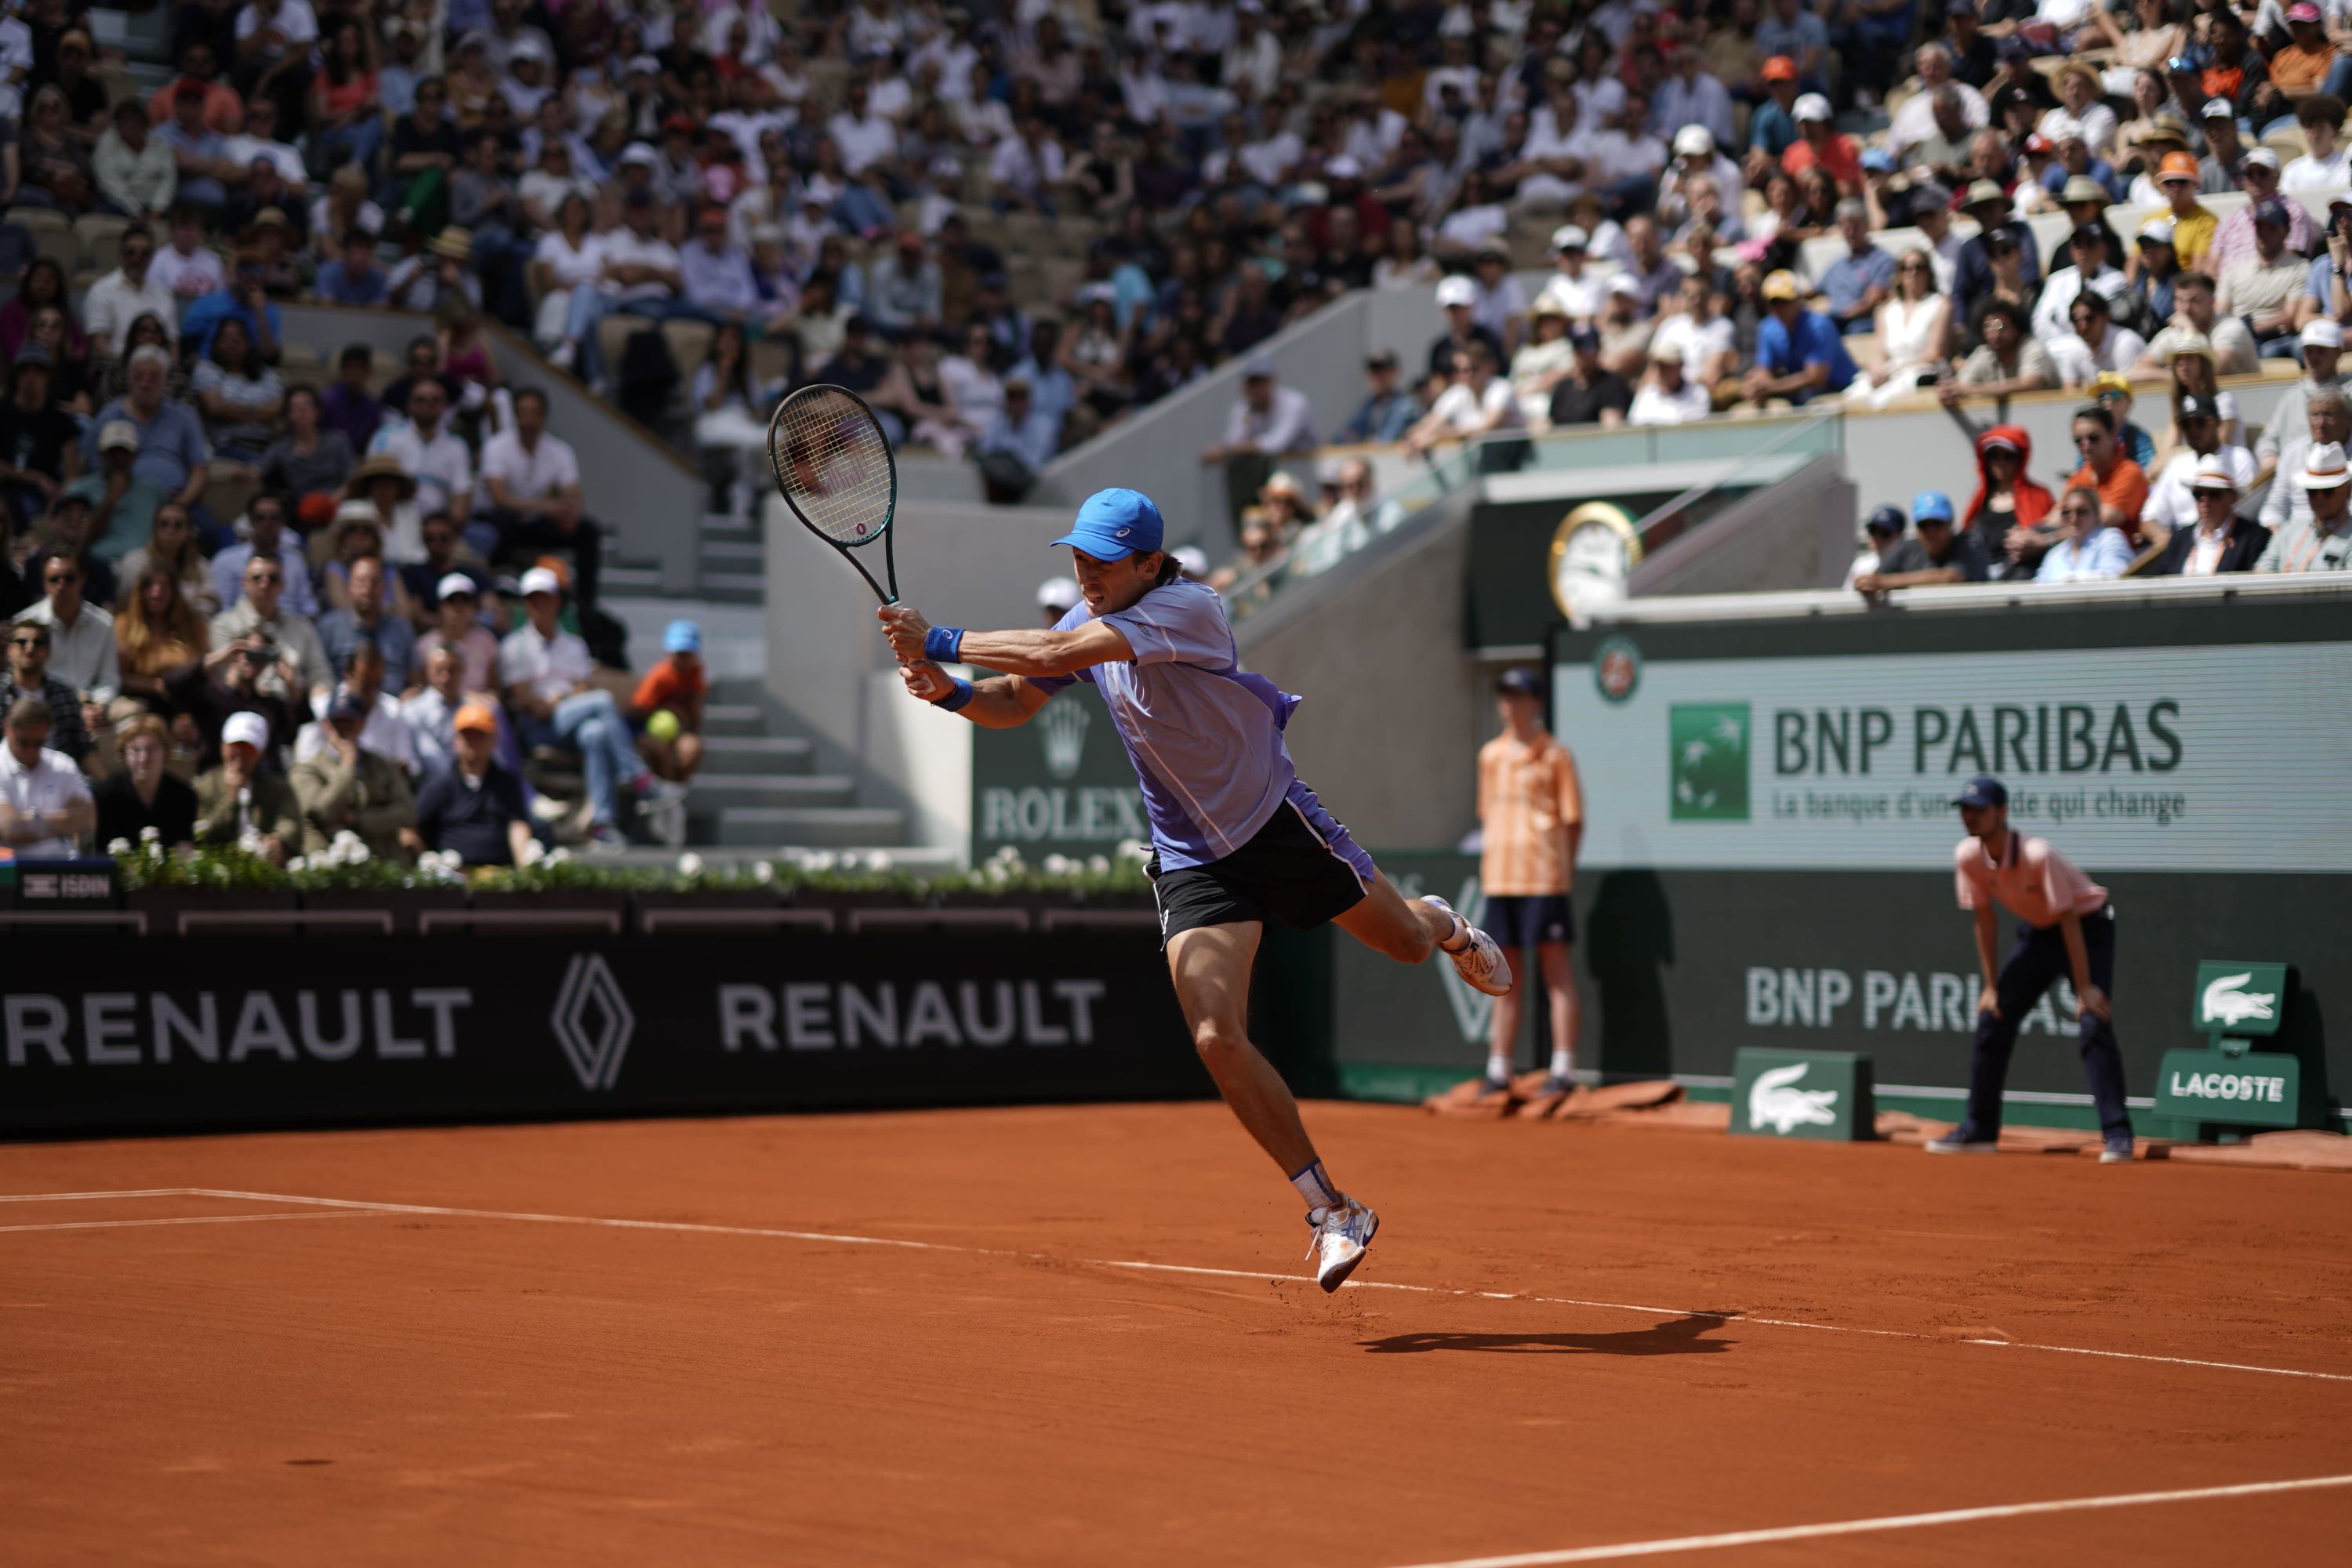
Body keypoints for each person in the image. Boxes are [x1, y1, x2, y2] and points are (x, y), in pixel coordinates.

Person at [880, 488, 1512, 1292]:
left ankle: (1448, 926)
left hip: (1276, 826)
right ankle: (1332, 1209)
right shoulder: (1083, 622)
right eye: (1078, 557)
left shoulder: (1193, 609)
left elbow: (1044, 656)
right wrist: (949, 690)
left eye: (1103, 561)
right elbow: (1015, 700)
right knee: (1216, 1035)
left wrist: (939, 636)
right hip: (1191, 858)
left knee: (1409, 945)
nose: (1086, 573)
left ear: (1151, 563)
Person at [1927, 775, 2133, 1163]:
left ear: (2002, 813)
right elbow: (1984, 919)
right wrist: (1990, 986)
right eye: (1965, 809)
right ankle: (1980, 1129)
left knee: (2093, 1021)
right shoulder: (1968, 856)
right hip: (2039, 934)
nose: (1970, 816)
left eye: (1979, 809)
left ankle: (2118, 1134)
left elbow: (2069, 920)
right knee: (1993, 1019)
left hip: (2087, 929)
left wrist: (2084, 988)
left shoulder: (2038, 855)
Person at [1462, 666, 1583, 1112]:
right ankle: (1499, 1070)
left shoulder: (1556, 756)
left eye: (1520, 696)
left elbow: (1573, 822)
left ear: (1536, 703)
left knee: (1556, 972)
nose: (1511, 704)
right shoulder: (1490, 756)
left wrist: (1560, 871)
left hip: (1544, 878)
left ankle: (1563, 1069)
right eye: (1505, 696)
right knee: (1502, 975)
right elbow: (1487, 816)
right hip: (1501, 878)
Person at [499, 566, 681, 851]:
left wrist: (559, 698)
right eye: (532, 599)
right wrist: (563, 698)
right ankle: (640, 779)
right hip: (539, 729)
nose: (538, 606)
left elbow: (584, 687)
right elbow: (529, 702)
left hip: (571, 719)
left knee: (595, 733)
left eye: (544, 598)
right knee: (604, 702)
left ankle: (602, 825)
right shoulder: (514, 646)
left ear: (557, 601)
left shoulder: (574, 645)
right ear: (525, 604)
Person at [478, 386, 597, 606]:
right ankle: (502, 590)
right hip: (505, 521)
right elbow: (499, 498)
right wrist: (547, 506)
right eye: (523, 412)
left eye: (535, 413)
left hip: (540, 524)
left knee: (587, 531)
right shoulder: (497, 447)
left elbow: (573, 496)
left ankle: (585, 604)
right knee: (503, 522)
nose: (529, 420)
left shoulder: (560, 450)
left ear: (544, 417)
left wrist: (569, 513)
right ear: (514, 415)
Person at [291, 685, 416, 861]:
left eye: (349, 722)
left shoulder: (382, 765)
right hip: (328, 865)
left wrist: (359, 820)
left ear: (362, 723)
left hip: (381, 861)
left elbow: (407, 812)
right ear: (326, 725)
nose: (344, 728)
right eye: (337, 722)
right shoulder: (307, 769)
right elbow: (321, 813)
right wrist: (347, 766)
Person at [412, 700, 535, 867]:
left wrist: (523, 866)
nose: (473, 742)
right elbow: (412, 829)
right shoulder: (440, 783)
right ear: (456, 740)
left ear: (494, 740)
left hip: (499, 876)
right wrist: (430, 864)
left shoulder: (507, 782)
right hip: (451, 878)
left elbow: (518, 825)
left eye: (480, 735)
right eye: (467, 735)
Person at [1199, 358, 1317, 523]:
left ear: (1272, 380)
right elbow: (1234, 440)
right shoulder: (1244, 408)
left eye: (1261, 381)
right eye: (1252, 383)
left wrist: (1229, 450)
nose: (1257, 388)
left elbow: (1276, 444)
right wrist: (1247, 421)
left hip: (1303, 481)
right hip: (1269, 485)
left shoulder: (1294, 403)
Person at [12, 550, 116, 735]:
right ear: (44, 583)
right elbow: (24, 679)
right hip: (44, 704)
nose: (61, 585)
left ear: (82, 580)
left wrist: (98, 705)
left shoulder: (103, 623)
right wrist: (74, 705)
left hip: (94, 704)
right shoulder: (25, 625)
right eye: (54, 579)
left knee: (133, 715)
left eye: (69, 578)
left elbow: (109, 678)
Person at [193, 709, 300, 861]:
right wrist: (230, 798)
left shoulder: (277, 787)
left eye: (248, 749)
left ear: (260, 753)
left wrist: (277, 839)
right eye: (235, 745)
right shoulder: (205, 786)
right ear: (223, 746)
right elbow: (203, 834)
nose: (240, 754)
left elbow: (290, 821)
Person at [1743, 269, 1857, 407]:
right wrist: (1757, 387)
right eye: (1774, 302)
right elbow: (1765, 369)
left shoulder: (1818, 326)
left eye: (1785, 301)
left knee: (1806, 398)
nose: (1780, 307)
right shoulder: (1767, 328)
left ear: (1798, 299)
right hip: (1802, 390)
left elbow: (1816, 378)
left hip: (1841, 387)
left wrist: (1769, 387)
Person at [0, 694, 93, 856]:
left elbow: (87, 818)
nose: (30, 751)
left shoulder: (62, 764)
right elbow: (10, 828)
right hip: (8, 872)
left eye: (38, 744)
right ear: (7, 728)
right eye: (23, 743)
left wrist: (32, 819)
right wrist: (64, 819)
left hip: (59, 867)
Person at [2146, 456, 2270, 575]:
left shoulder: (2253, 537)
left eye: (2214, 494)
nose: (2205, 501)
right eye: (2198, 495)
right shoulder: (2180, 538)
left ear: (2233, 498)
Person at [1854, 491, 1992, 591]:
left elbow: (1950, 577)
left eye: (1937, 524)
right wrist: (1866, 583)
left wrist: (1884, 582)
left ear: (1950, 524)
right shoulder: (1907, 549)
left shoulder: (1969, 543)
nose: (1931, 531)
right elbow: (1874, 580)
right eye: (1924, 525)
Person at [93, 713, 195, 848]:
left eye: (151, 749)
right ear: (124, 754)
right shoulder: (105, 795)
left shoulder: (184, 796)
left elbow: (185, 846)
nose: (144, 758)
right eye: (136, 750)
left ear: (165, 752)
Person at [2, 617, 89, 767]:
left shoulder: (65, 695)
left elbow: (84, 749)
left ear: (48, 652)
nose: (30, 648)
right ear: (9, 650)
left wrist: (107, 786)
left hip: (58, 777)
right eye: (22, 642)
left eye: (38, 643)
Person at [631, 619, 706, 787]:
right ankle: (665, 793)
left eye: (688, 654)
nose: (684, 660)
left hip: (677, 731)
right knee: (662, 751)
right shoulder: (660, 675)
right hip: (643, 731)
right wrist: (670, 710)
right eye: (680, 654)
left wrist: (691, 725)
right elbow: (637, 709)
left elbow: (695, 707)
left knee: (693, 748)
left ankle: (676, 790)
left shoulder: (696, 673)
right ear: (669, 652)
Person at [2256, 440, 2352, 572]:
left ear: (2347, 491)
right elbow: (2262, 572)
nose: (2319, 497)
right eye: (2312, 491)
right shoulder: (2288, 531)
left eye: (2327, 491)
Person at [2064, 405, 2152, 531]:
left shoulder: (2130, 473)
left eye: (2093, 438)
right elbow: (2057, 516)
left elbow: (2102, 521)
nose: (2086, 446)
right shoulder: (2079, 477)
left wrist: (2049, 538)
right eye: (2078, 441)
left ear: (2112, 435)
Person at [2034, 485, 2136, 582]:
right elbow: (2036, 588)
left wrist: (2071, 580)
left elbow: (2114, 577)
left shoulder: (2111, 539)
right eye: (2066, 512)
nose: (2073, 518)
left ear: (2097, 516)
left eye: (2082, 511)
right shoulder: (2055, 554)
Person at [1335, 350, 1417, 445]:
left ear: (1395, 372)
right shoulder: (1367, 405)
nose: (1378, 376)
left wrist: (1365, 442)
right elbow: (1343, 437)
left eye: (1383, 370)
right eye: (1374, 370)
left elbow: (1386, 440)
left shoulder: (1406, 406)